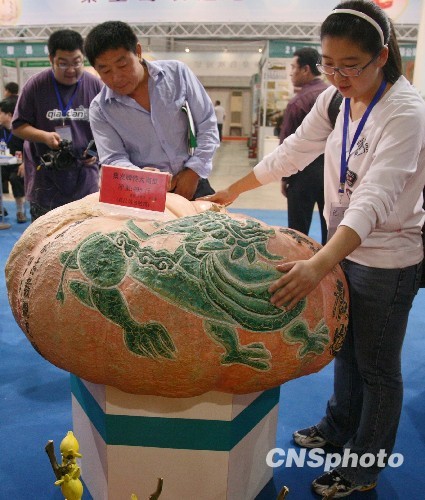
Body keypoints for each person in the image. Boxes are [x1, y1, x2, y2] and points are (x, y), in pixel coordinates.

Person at [201, 1, 425, 496]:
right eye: (329, 64)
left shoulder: (405, 113)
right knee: (345, 346)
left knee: (377, 366)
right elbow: (292, 153)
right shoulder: (334, 101)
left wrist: (317, 264)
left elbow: (374, 199)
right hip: (344, 245)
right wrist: (233, 190)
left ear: (381, 56)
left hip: (388, 257)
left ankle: (364, 465)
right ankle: (338, 426)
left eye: (352, 66)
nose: (339, 77)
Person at [84, 21, 219, 201]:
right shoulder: (101, 109)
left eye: (123, 65)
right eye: (106, 71)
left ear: (138, 52)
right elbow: (112, 158)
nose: (116, 77)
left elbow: (207, 124)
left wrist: (194, 171)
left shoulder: (176, 74)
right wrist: (140, 176)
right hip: (143, 193)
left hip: (193, 179)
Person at [12, 29, 103, 221]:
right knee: (45, 235)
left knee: (84, 233)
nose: (71, 70)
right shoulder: (36, 85)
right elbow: (18, 126)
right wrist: (44, 137)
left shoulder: (94, 85)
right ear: (51, 59)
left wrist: (94, 152)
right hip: (45, 181)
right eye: (63, 63)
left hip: (84, 180)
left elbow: (108, 127)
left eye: (77, 62)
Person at [279, 47, 328, 245]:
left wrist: (284, 177)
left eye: (293, 67)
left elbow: (286, 144)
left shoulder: (298, 102)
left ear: (306, 69)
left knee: (298, 235)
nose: (291, 73)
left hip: (302, 175)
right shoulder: (335, 96)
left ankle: (299, 262)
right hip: (333, 174)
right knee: (332, 232)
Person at [0, 97, 26, 222]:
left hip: (19, 165)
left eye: (1, 113)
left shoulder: (20, 130)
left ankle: (20, 211)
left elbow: (29, 149)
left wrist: (25, 163)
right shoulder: (0, 130)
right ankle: (1, 208)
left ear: (9, 115)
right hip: (3, 164)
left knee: (15, 178)